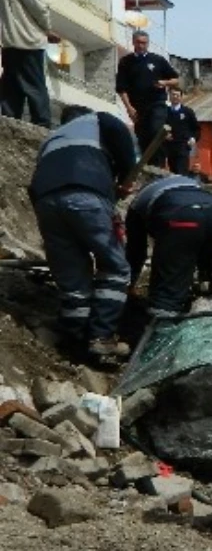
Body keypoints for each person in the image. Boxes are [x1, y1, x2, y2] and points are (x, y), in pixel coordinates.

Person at [27, 105, 137, 361]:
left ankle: (75, 339)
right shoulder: (100, 119)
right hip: (86, 193)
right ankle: (101, 337)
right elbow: (121, 137)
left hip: (46, 203)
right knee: (115, 268)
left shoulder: (51, 139)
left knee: (72, 276)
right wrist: (125, 178)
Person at [124, 175, 212, 317]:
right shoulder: (194, 186)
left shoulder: (138, 202)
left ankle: (163, 322)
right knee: (211, 259)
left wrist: (128, 284)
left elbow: (136, 251)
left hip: (181, 219)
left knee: (169, 286)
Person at [0, 0, 55, 127]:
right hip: (22, 41)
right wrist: (47, 28)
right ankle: (32, 126)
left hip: (18, 41)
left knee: (19, 88)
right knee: (23, 87)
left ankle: (31, 127)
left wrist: (46, 28)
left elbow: (35, 7)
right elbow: (37, 7)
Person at [115, 29, 179, 167]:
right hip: (138, 107)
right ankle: (147, 168)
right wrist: (129, 108)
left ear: (148, 44)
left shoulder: (158, 60)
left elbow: (176, 80)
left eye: (144, 43)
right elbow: (121, 88)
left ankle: (160, 165)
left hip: (157, 104)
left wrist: (164, 83)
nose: (141, 45)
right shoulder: (126, 62)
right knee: (143, 138)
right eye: (138, 42)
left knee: (156, 130)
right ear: (133, 42)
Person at [163, 87, 199, 176]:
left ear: (181, 97)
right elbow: (160, 127)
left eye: (177, 95)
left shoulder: (187, 112)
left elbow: (196, 129)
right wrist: (164, 135)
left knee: (181, 172)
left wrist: (193, 138)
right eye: (173, 94)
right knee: (173, 172)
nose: (175, 97)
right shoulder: (165, 112)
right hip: (170, 148)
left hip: (183, 146)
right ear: (169, 96)